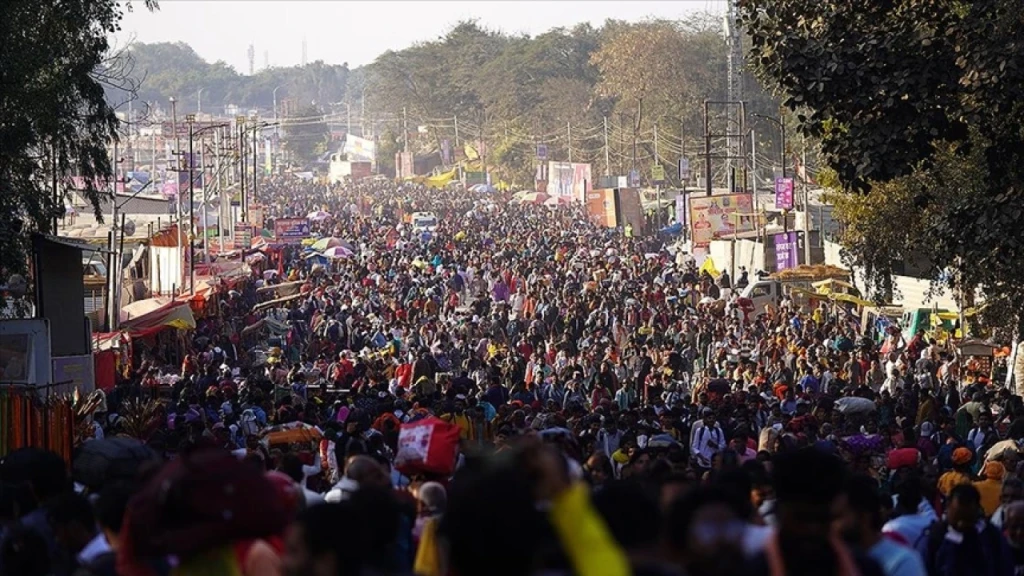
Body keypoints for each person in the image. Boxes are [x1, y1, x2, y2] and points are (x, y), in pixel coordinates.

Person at [747, 447, 884, 576]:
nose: (813, 529)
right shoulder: (754, 570)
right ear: (780, 511)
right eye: (803, 518)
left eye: (822, 519)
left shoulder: (865, 568)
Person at [918, 484, 1013, 576]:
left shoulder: (991, 537)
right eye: (957, 518)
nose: (961, 524)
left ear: (977, 511)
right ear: (948, 506)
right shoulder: (933, 537)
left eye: (967, 519)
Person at [841, 474, 927, 576]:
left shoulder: (901, 562)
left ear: (863, 516)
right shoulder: (833, 559)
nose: (833, 525)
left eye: (839, 516)